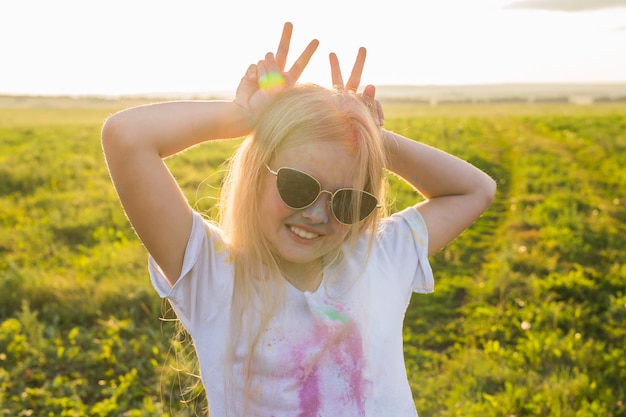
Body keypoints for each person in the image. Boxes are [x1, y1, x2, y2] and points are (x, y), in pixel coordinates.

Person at [102, 22, 496, 417]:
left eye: (348, 202)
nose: (317, 214)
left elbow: (476, 190)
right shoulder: (214, 274)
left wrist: (369, 140)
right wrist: (243, 115)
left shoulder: (377, 258)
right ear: (258, 173)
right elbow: (126, 136)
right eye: (298, 186)